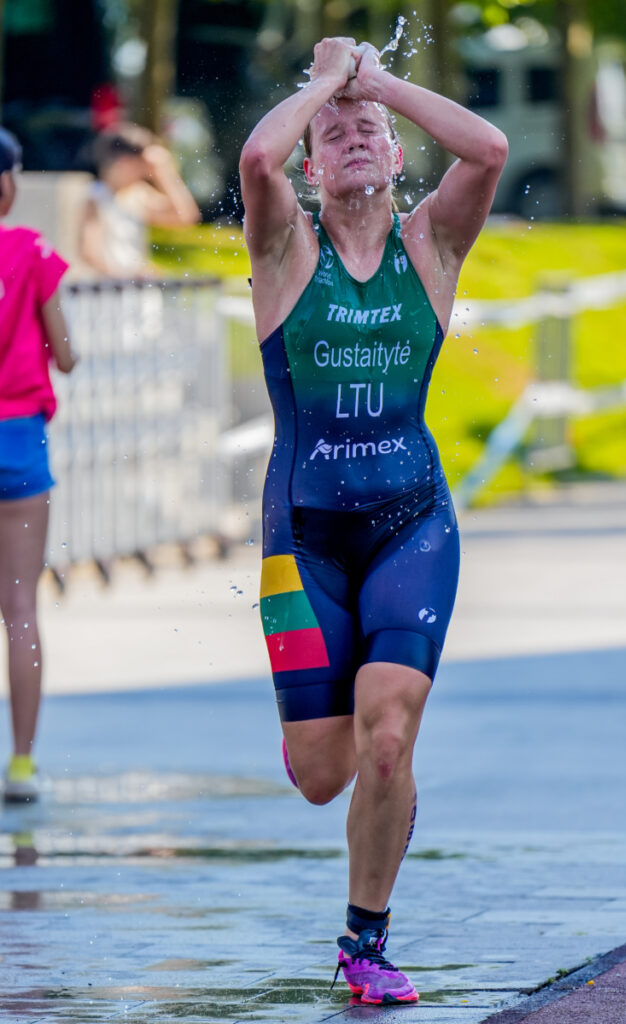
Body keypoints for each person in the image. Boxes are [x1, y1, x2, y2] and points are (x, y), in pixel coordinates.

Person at [239, 37, 506, 1004]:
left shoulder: (429, 245)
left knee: (388, 738)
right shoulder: (284, 249)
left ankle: (364, 941)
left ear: (396, 157)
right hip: (300, 538)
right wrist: (321, 85)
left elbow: (488, 150)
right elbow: (254, 163)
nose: (352, 138)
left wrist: (373, 82)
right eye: (333, 133)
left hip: (410, 525)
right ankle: (365, 783)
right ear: (314, 168)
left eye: (372, 133)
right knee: (324, 776)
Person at [0, 127, 78, 802]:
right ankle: (21, 763)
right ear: (9, 184)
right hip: (18, 438)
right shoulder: (30, 251)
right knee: (20, 609)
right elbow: (67, 351)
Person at [79, 122, 200, 278]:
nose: (145, 173)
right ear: (125, 162)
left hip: (136, 288)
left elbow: (185, 216)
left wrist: (165, 173)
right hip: (111, 291)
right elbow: (90, 252)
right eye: (141, 166)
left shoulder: (137, 195)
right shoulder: (95, 196)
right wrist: (129, 276)